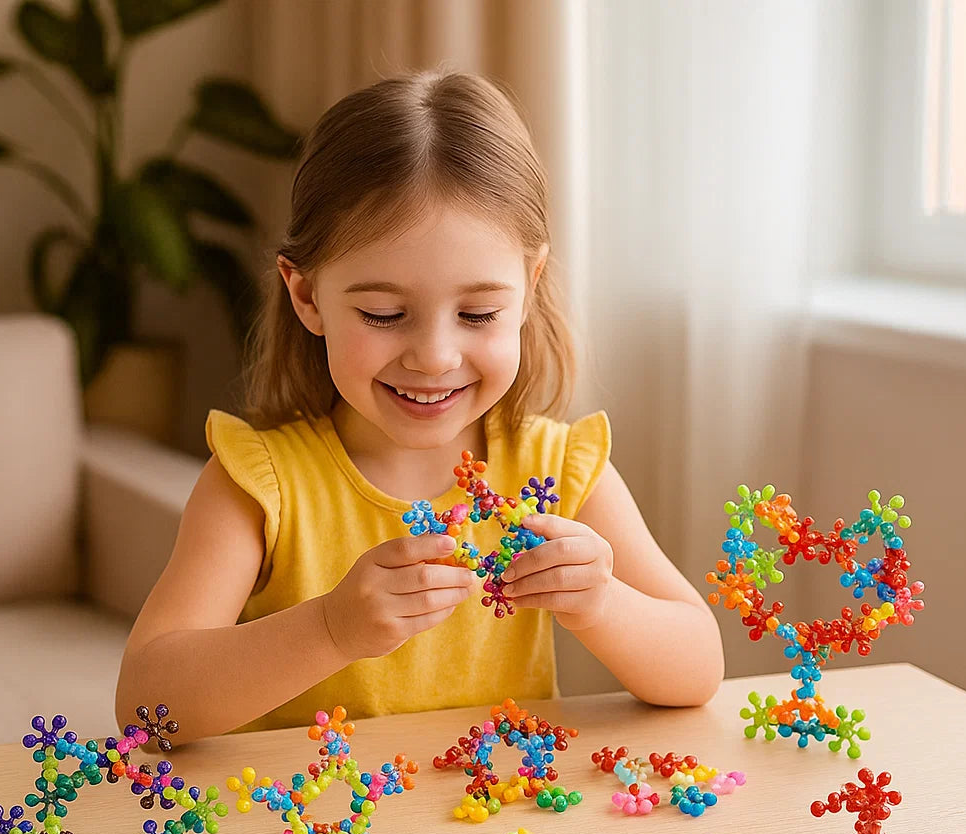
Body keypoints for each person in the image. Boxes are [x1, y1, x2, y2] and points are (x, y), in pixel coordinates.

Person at [115, 69, 724, 744]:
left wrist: (603, 602)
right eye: (384, 314)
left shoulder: (557, 470)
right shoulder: (259, 485)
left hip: (499, 809)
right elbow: (145, 706)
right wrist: (330, 629)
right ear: (308, 297)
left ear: (528, 289)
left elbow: (699, 668)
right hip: (311, 811)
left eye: (478, 313)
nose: (434, 357)